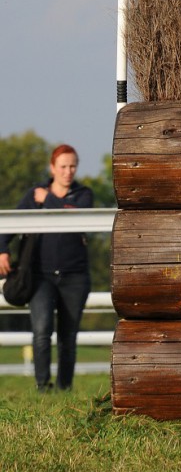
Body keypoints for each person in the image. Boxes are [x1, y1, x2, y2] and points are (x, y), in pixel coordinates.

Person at [0, 144, 93, 392]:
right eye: (63, 166)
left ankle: (65, 389)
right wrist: (2, 250)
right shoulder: (34, 195)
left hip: (75, 277)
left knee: (67, 337)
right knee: (41, 331)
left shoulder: (83, 194)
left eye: (72, 165)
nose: (68, 171)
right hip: (40, 277)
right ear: (52, 168)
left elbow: (80, 216)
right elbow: (8, 226)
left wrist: (49, 199)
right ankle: (43, 386)